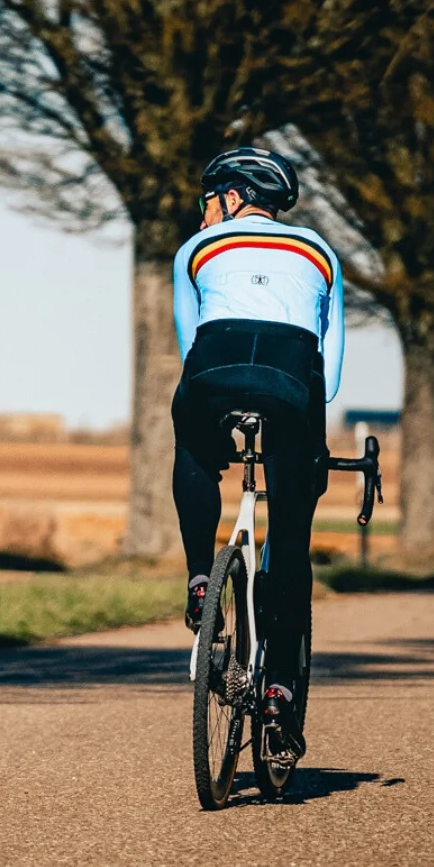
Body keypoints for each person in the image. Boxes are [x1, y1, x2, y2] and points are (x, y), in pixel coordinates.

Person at [172, 147, 344, 763]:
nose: (201, 213)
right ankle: (277, 694)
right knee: (290, 535)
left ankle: (200, 580)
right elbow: (331, 365)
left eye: (206, 200)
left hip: (214, 369)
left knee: (192, 443)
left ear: (233, 196)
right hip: (295, 380)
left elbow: (187, 340)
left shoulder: (194, 252)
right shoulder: (320, 251)